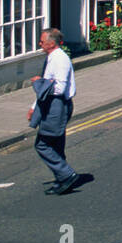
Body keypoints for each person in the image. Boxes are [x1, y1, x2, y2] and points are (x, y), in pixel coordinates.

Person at [28, 28, 79, 195]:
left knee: (42, 144)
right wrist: (34, 107)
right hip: (50, 105)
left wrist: (39, 82)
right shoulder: (52, 58)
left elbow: (59, 88)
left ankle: (67, 174)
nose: (39, 44)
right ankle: (62, 178)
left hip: (57, 105)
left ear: (51, 43)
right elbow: (47, 88)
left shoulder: (60, 60)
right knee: (56, 144)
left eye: (42, 41)